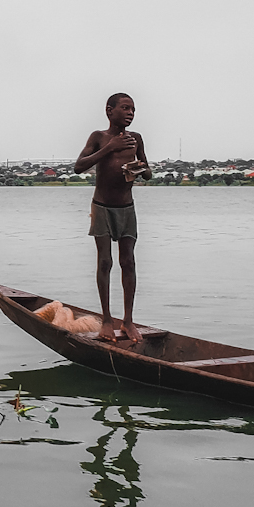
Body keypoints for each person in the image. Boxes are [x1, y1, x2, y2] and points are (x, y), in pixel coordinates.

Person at [73, 92, 151, 343]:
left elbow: (147, 171)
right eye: (125, 108)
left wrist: (141, 169)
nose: (130, 113)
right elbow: (79, 166)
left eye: (133, 110)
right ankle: (106, 320)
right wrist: (110, 148)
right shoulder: (98, 137)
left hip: (127, 208)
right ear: (109, 111)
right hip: (102, 207)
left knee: (128, 262)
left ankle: (128, 321)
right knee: (105, 262)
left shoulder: (136, 139)